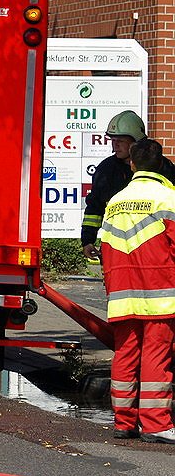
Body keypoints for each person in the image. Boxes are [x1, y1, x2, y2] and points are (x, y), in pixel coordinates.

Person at [99, 138, 175, 443]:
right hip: (159, 293)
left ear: (132, 164)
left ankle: (123, 422)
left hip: (121, 295)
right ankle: (156, 425)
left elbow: (106, 247)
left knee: (125, 356)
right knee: (157, 356)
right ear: (160, 163)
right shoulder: (168, 198)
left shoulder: (115, 202)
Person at [83, 110, 175, 260]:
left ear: (136, 142)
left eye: (120, 141)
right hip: (119, 251)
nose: (115, 146)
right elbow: (95, 208)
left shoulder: (163, 167)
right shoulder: (106, 170)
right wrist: (87, 240)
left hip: (155, 251)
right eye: (113, 141)